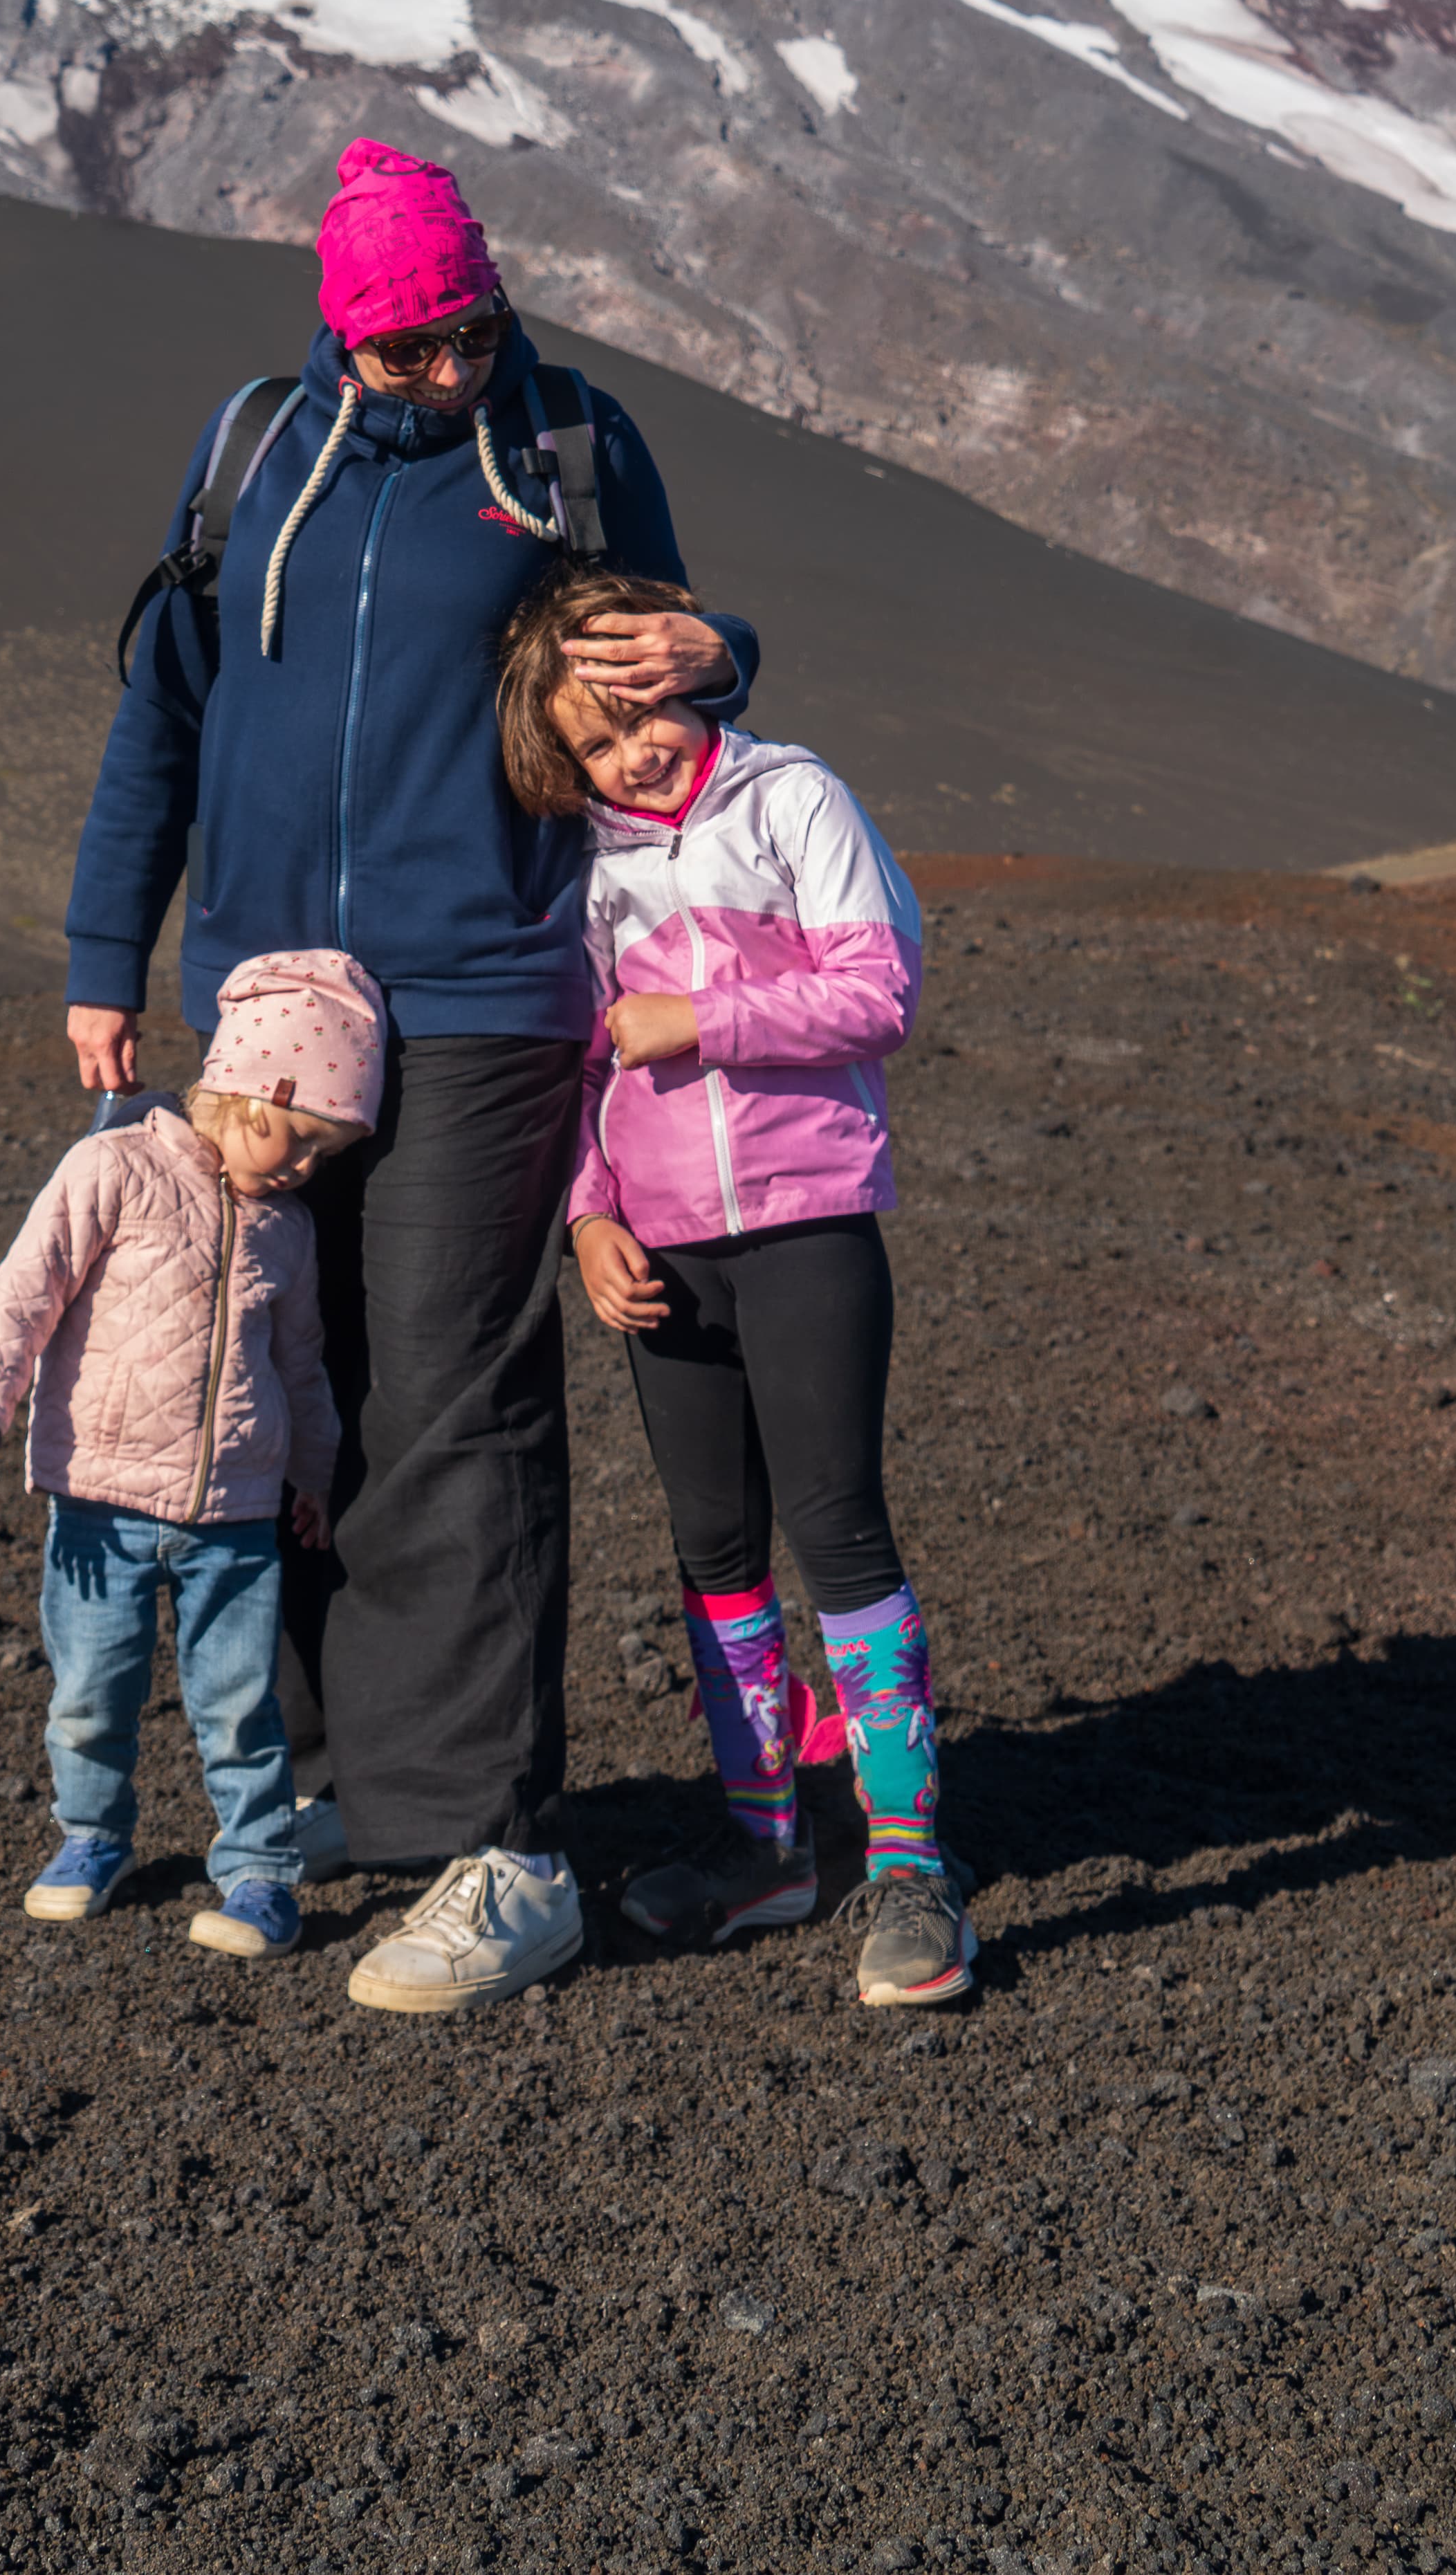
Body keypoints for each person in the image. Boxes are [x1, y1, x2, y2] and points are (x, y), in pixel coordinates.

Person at [65, 135, 755, 2015]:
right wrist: (102, 952)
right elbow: (165, 713)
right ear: (339, 335)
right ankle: (307, 1782)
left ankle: (497, 1846)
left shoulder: (565, 449)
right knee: (281, 1378)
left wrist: (727, 648)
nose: (450, 372)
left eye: (470, 331)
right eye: (408, 351)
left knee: (451, 1384)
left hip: (485, 983)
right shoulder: (247, 461)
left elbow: (669, 684)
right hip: (271, 998)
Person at [495, 559, 979, 2008]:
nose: (633, 751)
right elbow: (581, 1060)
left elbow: (880, 987)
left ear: (685, 674)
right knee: (713, 1546)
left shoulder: (791, 797)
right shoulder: (581, 858)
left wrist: (698, 1017)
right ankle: (767, 1843)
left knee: (836, 1525)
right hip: (663, 1247)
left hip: (808, 1213)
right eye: (593, 739)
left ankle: (909, 1863)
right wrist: (589, 1216)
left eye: (641, 712)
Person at [0, 951, 381, 1959]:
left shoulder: (288, 1230)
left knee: (239, 1701)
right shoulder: (113, 1168)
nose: (304, 1170)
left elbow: (301, 1365)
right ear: (255, 1088)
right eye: (300, 1140)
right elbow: (23, 1296)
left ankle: (260, 1870)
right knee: (91, 1690)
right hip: (99, 1498)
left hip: (236, 1513)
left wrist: (311, 1471)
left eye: (323, 1157)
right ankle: (93, 1836)